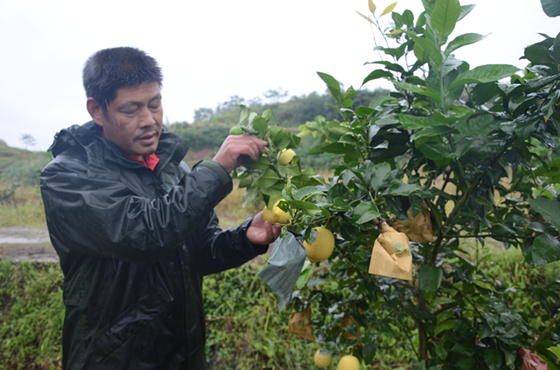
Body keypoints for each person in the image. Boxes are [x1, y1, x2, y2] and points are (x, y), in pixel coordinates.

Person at [40, 46, 282, 370]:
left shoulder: (173, 170)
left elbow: (197, 252)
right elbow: (142, 233)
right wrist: (217, 167)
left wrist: (245, 238)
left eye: (155, 104)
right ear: (97, 110)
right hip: (113, 360)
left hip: (183, 354)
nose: (149, 120)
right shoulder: (67, 177)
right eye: (131, 109)